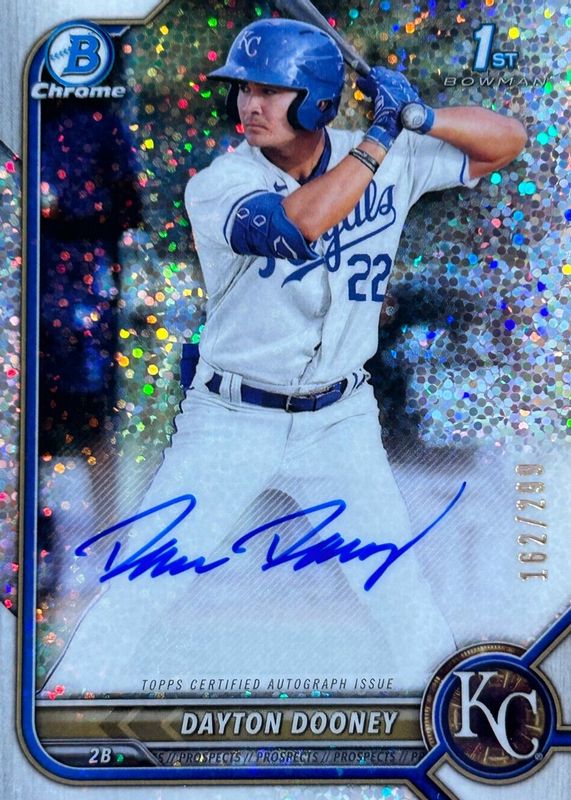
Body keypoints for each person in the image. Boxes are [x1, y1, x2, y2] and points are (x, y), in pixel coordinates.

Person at [47, 19, 526, 693]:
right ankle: (65, 713)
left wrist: (422, 116)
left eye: (271, 90)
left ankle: (458, 724)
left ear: (318, 100)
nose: (250, 104)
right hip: (231, 418)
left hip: (339, 421)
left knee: (399, 592)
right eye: (245, 89)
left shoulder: (387, 153)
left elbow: (508, 140)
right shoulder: (219, 184)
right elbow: (296, 225)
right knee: (143, 585)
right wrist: (382, 138)